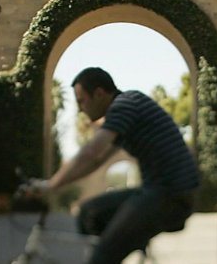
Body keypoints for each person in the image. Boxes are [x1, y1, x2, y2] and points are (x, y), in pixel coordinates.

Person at [21, 67, 198, 264]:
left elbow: (91, 153)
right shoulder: (126, 110)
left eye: (82, 101)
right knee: (89, 214)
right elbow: (96, 161)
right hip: (157, 191)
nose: (80, 109)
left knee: (102, 257)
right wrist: (53, 185)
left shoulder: (125, 105)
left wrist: (51, 185)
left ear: (99, 94)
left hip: (170, 194)